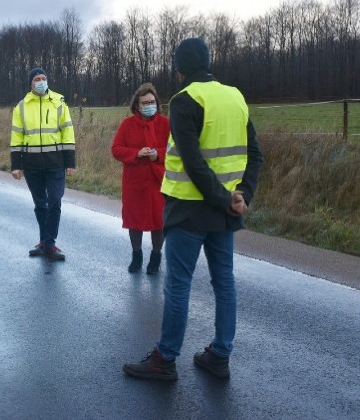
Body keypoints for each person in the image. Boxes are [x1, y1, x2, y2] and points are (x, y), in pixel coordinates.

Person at [123, 37, 264, 381]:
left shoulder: (185, 99)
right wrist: (241, 195)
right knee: (224, 283)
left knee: (179, 285)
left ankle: (165, 359)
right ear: (209, 61)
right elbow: (255, 154)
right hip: (226, 211)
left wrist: (224, 198)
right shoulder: (235, 97)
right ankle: (220, 354)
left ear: (179, 68)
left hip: (189, 208)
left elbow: (193, 161)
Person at [10, 67, 76, 261]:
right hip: (32, 164)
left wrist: (70, 161)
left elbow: (68, 132)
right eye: (36, 79)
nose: (40, 81)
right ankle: (45, 242)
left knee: (54, 200)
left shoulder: (59, 103)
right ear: (30, 83)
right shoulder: (21, 106)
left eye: (43, 78)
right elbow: (17, 137)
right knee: (40, 203)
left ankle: (49, 243)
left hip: (55, 162)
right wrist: (16, 165)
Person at [111, 83, 170, 274]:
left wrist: (158, 155)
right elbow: (116, 149)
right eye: (145, 102)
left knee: (158, 222)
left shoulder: (165, 124)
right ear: (137, 105)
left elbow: (177, 151)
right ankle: (136, 255)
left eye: (152, 102)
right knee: (134, 221)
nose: (149, 105)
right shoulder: (127, 125)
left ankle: (156, 256)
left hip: (158, 181)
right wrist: (136, 153)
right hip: (134, 182)